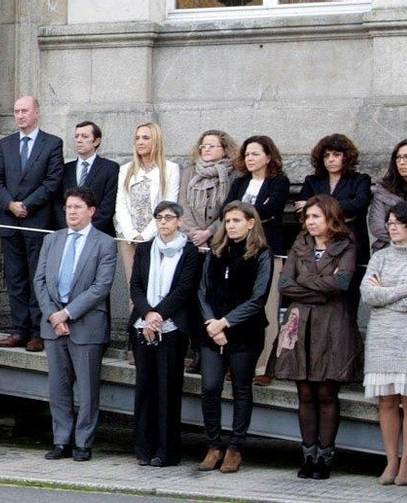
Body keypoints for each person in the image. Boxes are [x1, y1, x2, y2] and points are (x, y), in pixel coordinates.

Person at [276, 195, 362, 480]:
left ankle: (325, 456)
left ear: (330, 218)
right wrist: (319, 289)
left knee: (326, 391)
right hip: (301, 323)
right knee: (305, 391)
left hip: (332, 324)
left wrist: (306, 283)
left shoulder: (346, 245)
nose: (310, 222)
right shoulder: (300, 244)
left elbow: (342, 283)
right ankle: (307, 454)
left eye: (316, 217)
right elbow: (285, 284)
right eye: (308, 217)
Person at [34, 187, 117, 463]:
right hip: (54, 326)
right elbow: (40, 281)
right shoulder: (53, 240)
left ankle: (83, 442)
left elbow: (100, 287)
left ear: (91, 211)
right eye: (69, 207)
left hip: (86, 326)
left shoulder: (105, 243)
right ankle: (61, 440)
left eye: (78, 207)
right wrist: (53, 315)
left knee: (88, 389)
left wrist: (67, 314)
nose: (71, 212)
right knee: (58, 387)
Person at [196, 200, 273, 474]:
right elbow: (202, 291)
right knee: (210, 387)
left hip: (244, 332)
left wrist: (225, 323)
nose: (231, 226)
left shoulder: (261, 253)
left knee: (241, 389)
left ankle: (235, 447)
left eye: (237, 221)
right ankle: (213, 444)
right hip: (211, 331)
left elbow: (258, 298)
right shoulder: (216, 251)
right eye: (228, 221)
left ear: (251, 223)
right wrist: (212, 325)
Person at [128, 201, 203, 467]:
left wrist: (158, 315)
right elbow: (135, 285)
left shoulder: (190, 252)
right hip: (143, 325)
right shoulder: (146, 248)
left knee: (168, 389)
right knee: (144, 388)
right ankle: (143, 449)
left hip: (171, 328)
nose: (163, 222)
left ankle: (166, 451)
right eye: (159, 217)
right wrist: (147, 314)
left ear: (180, 221)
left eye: (169, 217)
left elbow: (184, 290)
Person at [0, 96, 65, 353]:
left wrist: (28, 205)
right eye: (16, 111)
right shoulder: (6, 144)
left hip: (37, 220)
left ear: (37, 113)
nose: (20, 115)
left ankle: (38, 331)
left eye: (24, 111)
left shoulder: (52, 143)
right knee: (15, 278)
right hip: (10, 220)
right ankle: (19, 329)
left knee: (37, 277)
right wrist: (10, 204)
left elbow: (53, 180)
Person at [226, 136, 290, 385]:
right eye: (247, 154)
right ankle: (238, 362)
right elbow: (226, 210)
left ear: (268, 156)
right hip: (239, 253)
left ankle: (265, 366)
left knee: (268, 307)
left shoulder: (279, 182)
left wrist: (244, 213)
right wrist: (253, 212)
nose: (250, 158)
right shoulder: (240, 182)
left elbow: (272, 208)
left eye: (255, 154)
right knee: (240, 304)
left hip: (268, 250)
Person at [361, 201, 407, 485]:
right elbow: (368, 295)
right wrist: (404, 289)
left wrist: (387, 293)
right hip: (381, 337)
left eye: (397, 222)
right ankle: (391, 460)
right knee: (387, 401)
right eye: (389, 222)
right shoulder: (380, 256)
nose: (391, 226)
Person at [296, 134, 372, 305]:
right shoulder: (312, 181)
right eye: (326, 155)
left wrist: (317, 206)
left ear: (346, 157)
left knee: (346, 293)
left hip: (350, 244)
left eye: (336, 155)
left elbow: (359, 205)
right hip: (318, 247)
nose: (330, 159)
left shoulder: (360, 180)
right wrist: (342, 211)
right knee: (317, 292)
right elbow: (299, 213)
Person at [113, 123, 181, 308]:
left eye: (145, 137)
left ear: (156, 141)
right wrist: (132, 234)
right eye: (137, 138)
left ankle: (157, 332)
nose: (140, 142)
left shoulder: (170, 169)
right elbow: (120, 204)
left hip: (158, 235)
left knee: (157, 286)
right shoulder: (126, 169)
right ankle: (136, 333)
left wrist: (146, 235)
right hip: (128, 237)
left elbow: (168, 204)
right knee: (133, 286)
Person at [181, 130, 238, 249]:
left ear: (224, 150)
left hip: (223, 240)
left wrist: (209, 232)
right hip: (191, 241)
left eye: (211, 146)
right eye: (203, 146)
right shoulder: (189, 172)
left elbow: (233, 207)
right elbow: (183, 206)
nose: (206, 149)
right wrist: (195, 235)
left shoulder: (235, 174)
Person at [61, 121, 119, 237]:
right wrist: (70, 226)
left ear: (96, 141)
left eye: (85, 136)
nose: (79, 140)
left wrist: (87, 229)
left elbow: (108, 204)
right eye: (76, 136)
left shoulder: (110, 168)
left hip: (99, 234)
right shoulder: (65, 169)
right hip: (68, 232)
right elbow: (58, 202)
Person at [369, 139, 407, 251]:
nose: (401, 162)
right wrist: (403, 240)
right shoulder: (384, 188)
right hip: (389, 247)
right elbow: (376, 227)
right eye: (398, 157)